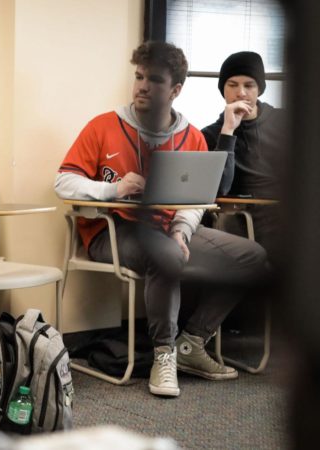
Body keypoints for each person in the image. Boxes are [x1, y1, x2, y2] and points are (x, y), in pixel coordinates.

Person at [55, 41, 268, 397]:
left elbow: (197, 199)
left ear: (175, 90)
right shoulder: (103, 126)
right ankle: (163, 354)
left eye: (153, 80)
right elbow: (63, 181)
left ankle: (192, 342)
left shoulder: (192, 137)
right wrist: (113, 189)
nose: (141, 86)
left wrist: (184, 230)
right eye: (139, 76)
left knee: (252, 257)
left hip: (170, 231)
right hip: (113, 232)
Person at [202, 51, 285, 257]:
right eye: (232, 85)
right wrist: (228, 131)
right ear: (223, 89)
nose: (241, 93)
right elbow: (220, 188)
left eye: (249, 85)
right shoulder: (211, 134)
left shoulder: (284, 121)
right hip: (239, 217)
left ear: (259, 89)